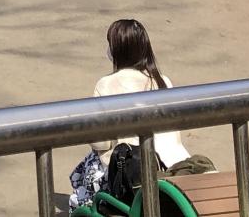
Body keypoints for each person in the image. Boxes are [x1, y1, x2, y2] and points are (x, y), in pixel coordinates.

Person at [69, 19, 214, 205]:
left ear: (117, 50)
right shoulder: (163, 81)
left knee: (88, 168)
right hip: (176, 162)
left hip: (136, 172)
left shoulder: (106, 84)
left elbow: (100, 142)